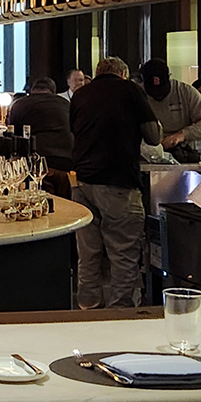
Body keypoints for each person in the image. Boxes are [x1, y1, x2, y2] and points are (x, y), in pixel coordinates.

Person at [69, 57, 161, 309]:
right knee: (123, 253)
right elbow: (154, 137)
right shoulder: (130, 90)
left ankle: (87, 308)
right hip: (118, 183)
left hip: (82, 184)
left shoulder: (79, 95)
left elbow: (76, 133)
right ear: (123, 73)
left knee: (87, 254)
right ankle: (119, 314)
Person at [135, 59, 201, 164]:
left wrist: (182, 135)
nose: (159, 95)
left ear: (169, 77)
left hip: (181, 154)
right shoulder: (136, 93)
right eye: (153, 91)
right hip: (146, 156)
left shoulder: (186, 92)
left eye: (162, 90)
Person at [6, 77, 74, 198]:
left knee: (37, 202)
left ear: (32, 90)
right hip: (66, 164)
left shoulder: (20, 104)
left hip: (36, 163)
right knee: (66, 203)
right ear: (53, 91)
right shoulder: (65, 103)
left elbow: (13, 136)